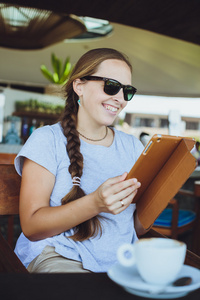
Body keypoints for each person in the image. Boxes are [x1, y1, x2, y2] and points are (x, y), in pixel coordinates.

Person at [14, 48, 146, 273]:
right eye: (111, 86)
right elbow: (32, 226)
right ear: (79, 86)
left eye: (127, 91)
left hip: (121, 261)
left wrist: (163, 190)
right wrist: (95, 202)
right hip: (60, 255)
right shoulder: (47, 140)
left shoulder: (133, 146)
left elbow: (134, 227)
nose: (120, 98)